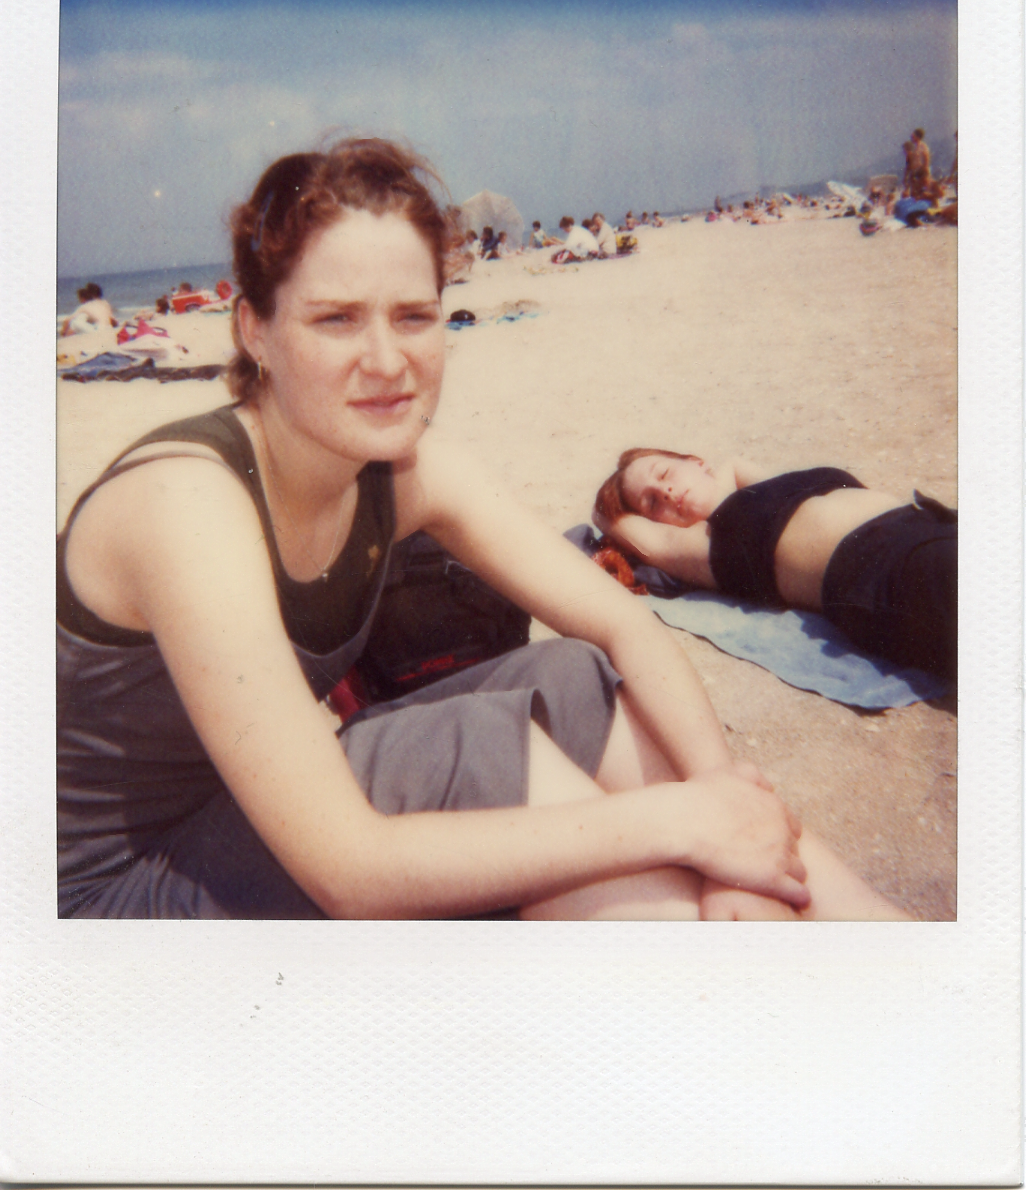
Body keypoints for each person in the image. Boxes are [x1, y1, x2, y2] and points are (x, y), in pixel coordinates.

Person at [58, 136, 905, 922]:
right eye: (336, 318)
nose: (388, 360)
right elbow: (349, 868)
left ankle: (888, 958)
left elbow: (619, 622)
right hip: (115, 899)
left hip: (250, 817)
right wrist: (677, 822)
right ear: (255, 330)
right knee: (474, 747)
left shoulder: (409, 473)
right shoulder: (189, 505)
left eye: (415, 315)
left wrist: (726, 808)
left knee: (571, 674)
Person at [594, 448, 956, 681]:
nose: (667, 493)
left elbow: (734, 464)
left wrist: (714, 481)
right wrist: (609, 508)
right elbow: (618, 524)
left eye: (664, 474)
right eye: (652, 503)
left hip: (931, 523)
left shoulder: (766, 491)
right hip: (890, 573)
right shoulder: (707, 543)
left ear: (696, 460)